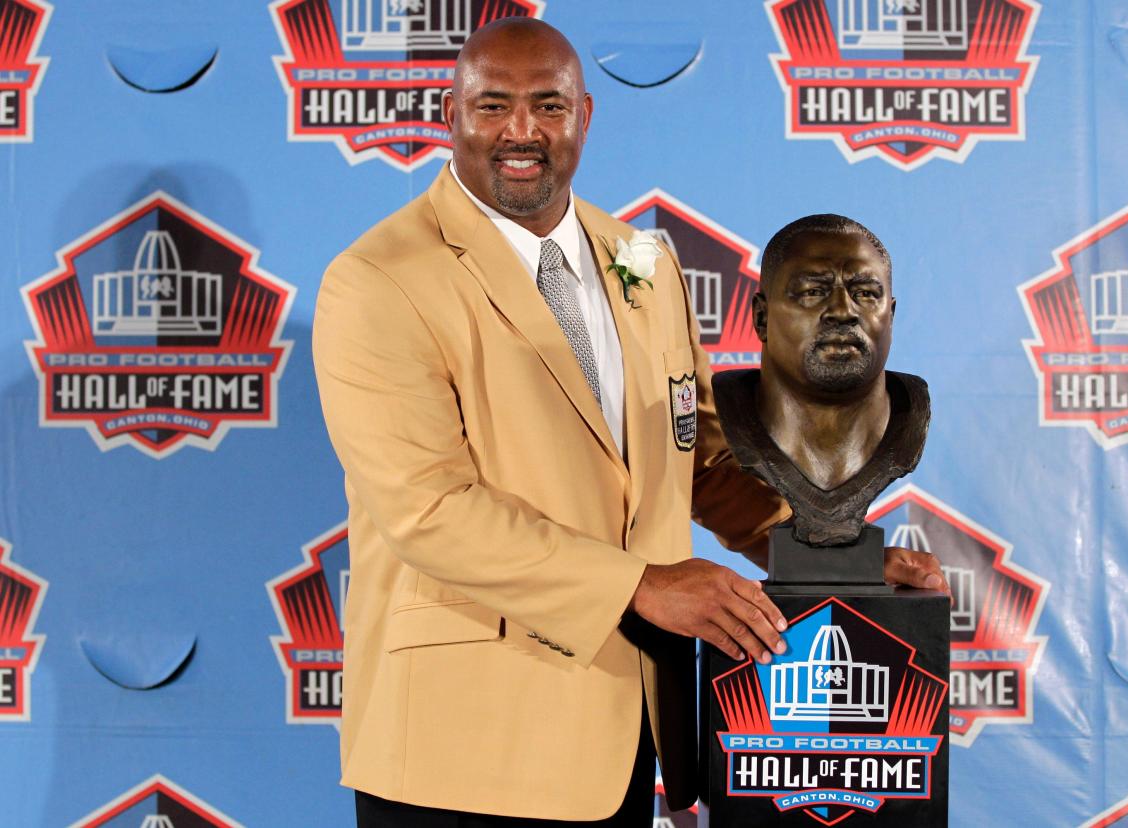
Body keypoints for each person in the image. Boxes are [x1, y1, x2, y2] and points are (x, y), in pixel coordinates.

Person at [312, 18, 947, 827]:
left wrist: (839, 563)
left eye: (547, 106)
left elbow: (699, 458)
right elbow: (426, 508)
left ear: (584, 114)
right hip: (461, 751)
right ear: (449, 112)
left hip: (627, 736)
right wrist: (641, 586)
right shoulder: (378, 278)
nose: (521, 132)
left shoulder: (641, 260)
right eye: (492, 105)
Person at [713, 214, 933, 548]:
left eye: (865, 293)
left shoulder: (910, 415)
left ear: (891, 316)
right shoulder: (716, 416)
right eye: (813, 291)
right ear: (762, 317)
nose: (843, 311)